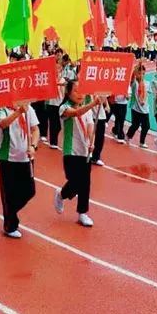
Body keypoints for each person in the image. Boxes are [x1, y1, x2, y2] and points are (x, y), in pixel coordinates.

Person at [54, 81, 102, 227]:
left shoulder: (86, 110)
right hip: (70, 151)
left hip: (84, 152)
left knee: (85, 183)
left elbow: (90, 128)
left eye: (82, 91)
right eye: (76, 91)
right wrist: (93, 104)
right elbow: (75, 113)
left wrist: (92, 142)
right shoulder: (64, 108)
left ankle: (83, 213)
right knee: (74, 182)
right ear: (68, 93)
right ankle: (61, 194)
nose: (80, 94)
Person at [0, 102, 39, 238]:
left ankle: (10, 212)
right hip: (7, 158)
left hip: (26, 158)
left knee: (30, 191)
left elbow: (35, 129)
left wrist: (33, 146)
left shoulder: (29, 108)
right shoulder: (2, 109)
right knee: (9, 193)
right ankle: (10, 225)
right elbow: (2, 124)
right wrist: (19, 112)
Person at [126, 64, 150, 148]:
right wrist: (136, 67)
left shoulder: (147, 83)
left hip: (145, 109)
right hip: (136, 109)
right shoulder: (134, 83)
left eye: (143, 74)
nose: (141, 75)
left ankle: (142, 142)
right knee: (135, 125)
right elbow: (132, 77)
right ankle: (128, 136)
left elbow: (147, 93)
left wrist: (143, 99)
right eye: (139, 73)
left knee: (146, 126)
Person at [89, 95, 111, 166]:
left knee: (100, 138)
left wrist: (107, 105)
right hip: (90, 115)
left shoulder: (100, 88)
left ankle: (96, 157)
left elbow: (104, 97)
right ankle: (87, 154)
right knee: (89, 136)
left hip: (100, 116)